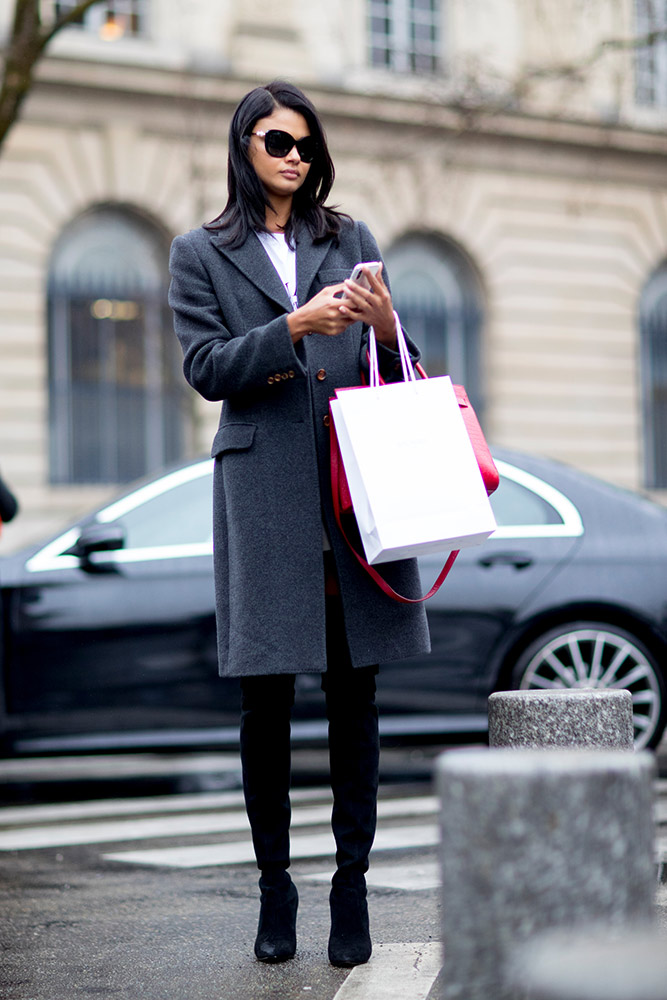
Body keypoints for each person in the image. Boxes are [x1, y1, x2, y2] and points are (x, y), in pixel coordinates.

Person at [168, 80, 431, 968]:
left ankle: (349, 888)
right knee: (265, 704)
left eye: (306, 146)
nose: (293, 157)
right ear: (244, 144)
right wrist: (291, 328)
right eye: (277, 141)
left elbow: (395, 363)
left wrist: (386, 323)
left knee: (356, 696)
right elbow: (205, 367)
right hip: (264, 492)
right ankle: (274, 886)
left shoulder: (347, 238)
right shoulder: (197, 252)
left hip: (349, 488)